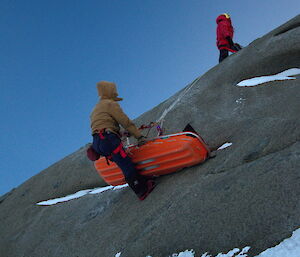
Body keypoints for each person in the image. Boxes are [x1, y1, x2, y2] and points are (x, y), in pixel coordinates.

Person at [90, 81, 155, 200]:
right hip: (108, 139)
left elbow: (102, 125)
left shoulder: (96, 108)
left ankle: (140, 180)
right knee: (126, 165)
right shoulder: (110, 104)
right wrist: (139, 137)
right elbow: (125, 122)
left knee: (122, 161)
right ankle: (141, 190)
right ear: (110, 91)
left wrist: (119, 133)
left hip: (97, 142)